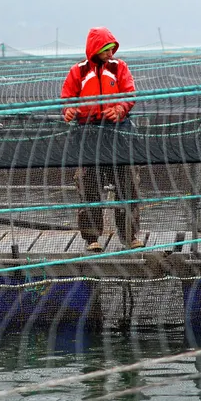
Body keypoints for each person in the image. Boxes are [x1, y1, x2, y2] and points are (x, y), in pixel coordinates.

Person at [61, 27, 143, 253]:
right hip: (87, 134)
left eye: (112, 49)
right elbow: (68, 98)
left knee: (127, 183)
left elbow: (129, 95)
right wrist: (69, 111)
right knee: (88, 185)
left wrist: (120, 109)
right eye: (106, 49)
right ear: (95, 49)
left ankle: (130, 236)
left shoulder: (119, 67)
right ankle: (92, 239)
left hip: (118, 133)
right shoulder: (78, 71)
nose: (110, 54)